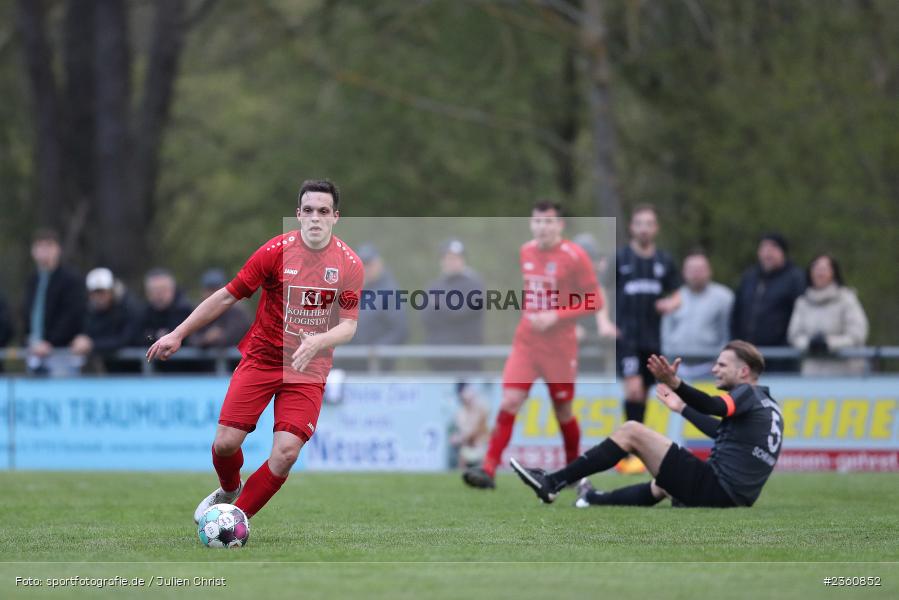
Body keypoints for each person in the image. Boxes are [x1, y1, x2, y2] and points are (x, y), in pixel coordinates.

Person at [147, 179, 363, 522]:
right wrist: (179, 333)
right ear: (298, 214)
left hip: (308, 367)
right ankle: (230, 488)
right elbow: (227, 295)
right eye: (308, 211)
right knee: (225, 445)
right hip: (262, 358)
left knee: (286, 453)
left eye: (323, 211)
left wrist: (318, 341)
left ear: (335, 217)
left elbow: (349, 326)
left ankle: (232, 519)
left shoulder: (349, 264)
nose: (315, 218)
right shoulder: (275, 251)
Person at [510, 341, 783, 509]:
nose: (714, 369)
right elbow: (722, 433)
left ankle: (553, 482)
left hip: (718, 490)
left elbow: (715, 407)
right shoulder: (769, 406)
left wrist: (677, 384)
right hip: (734, 497)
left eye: (722, 364)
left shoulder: (747, 394)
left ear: (744, 371)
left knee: (632, 431)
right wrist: (682, 408)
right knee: (661, 485)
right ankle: (591, 499)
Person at [463, 201, 603, 489]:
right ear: (531, 224)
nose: (543, 227)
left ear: (560, 225)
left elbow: (595, 300)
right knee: (510, 401)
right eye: (538, 221)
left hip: (560, 346)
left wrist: (558, 315)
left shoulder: (575, 256)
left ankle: (574, 473)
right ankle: (488, 469)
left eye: (549, 222)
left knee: (563, 410)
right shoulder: (526, 250)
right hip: (527, 341)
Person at [598, 204, 681, 474]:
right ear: (632, 228)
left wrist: (670, 303)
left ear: (655, 228)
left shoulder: (664, 261)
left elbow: (678, 294)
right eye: (639, 223)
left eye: (649, 223)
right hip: (627, 337)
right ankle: (628, 452)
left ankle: (633, 452)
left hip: (652, 339)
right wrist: (604, 321)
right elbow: (599, 287)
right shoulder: (620, 258)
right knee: (632, 389)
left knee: (643, 394)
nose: (644, 228)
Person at [731, 233, 805, 372]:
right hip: (748, 356)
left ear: (783, 252)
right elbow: (737, 313)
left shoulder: (795, 278)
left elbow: (800, 316)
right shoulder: (749, 277)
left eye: (773, 248)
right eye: (764, 248)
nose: (768, 253)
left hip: (781, 358)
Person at [788, 254, 869, 376]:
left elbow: (857, 334)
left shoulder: (847, 299)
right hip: (812, 374)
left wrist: (829, 344)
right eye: (816, 268)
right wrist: (809, 344)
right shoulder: (802, 303)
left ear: (834, 273)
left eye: (825, 269)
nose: (820, 273)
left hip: (845, 373)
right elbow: (794, 335)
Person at [661, 250, 734, 379]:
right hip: (677, 368)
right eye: (692, 269)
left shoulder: (724, 297)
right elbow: (665, 333)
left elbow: (727, 333)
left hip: (711, 367)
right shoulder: (674, 297)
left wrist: (722, 362)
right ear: (684, 272)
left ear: (710, 271)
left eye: (700, 269)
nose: (696, 274)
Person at [22, 229, 86, 374]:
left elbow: (72, 315)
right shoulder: (32, 280)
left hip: (60, 352)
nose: (44, 251)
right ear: (33, 251)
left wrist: (50, 342)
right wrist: (31, 341)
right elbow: (27, 314)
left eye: (48, 246)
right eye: (40, 246)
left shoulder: (70, 279)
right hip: (34, 352)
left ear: (58, 249)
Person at [421, 239, 485, 371]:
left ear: (463, 260)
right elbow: (425, 316)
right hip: (438, 358)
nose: (451, 262)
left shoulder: (474, 285)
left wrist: (439, 304)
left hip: (466, 360)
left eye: (455, 258)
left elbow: (460, 312)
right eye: (448, 258)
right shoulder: (435, 285)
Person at [342, 244, 408, 372]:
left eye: (369, 264)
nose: (366, 269)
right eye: (362, 264)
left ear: (379, 264)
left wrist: (377, 349)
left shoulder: (391, 292)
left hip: (378, 367)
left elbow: (400, 330)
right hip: (348, 364)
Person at [70, 268, 143, 373]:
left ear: (111, 291)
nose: (99, 297)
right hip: (110, 371)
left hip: (134, 371)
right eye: (95, 292)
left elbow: (125, 339)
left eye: (103, 292)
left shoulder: (129, 309)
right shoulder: (89, 312)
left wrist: (91, 344)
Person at [191, 268, 252, 349]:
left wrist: (218, 337)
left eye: (216, 290)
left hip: (235, 361)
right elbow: (191, 340)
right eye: (209, 290)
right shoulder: (198, 311)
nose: (213, 294)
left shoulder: (237, 310)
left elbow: (235, 338)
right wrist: (205, 339)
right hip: (206, 361)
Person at [449, 381, 490, 469]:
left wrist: (460, 437)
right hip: (467, 446)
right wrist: (459, 437)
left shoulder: (481, 409)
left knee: (482, 451)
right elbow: (464, 432)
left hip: (481, 445)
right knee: (462, 454)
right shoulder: (460, 413)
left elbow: (475, 430)